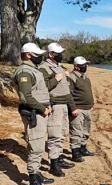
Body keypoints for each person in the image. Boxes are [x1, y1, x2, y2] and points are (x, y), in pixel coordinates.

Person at [13, 43, 54, 185]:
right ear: (28, 55)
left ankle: (37, 174)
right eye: (37, 54)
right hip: (34, 113)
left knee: (38, 144)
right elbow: (26, 97)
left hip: (39, 112)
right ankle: (33, 181)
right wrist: (43, 108)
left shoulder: (32, 69)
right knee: (36, 147)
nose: (40, 57)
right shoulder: (25, 71)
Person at [39, 42, 76, 177]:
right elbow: (43, 87)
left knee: (61, 133)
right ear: (50, 54)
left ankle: (59, 158)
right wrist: (56, 79)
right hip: (55, 105)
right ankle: (54, 165)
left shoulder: (57, 66)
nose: (61, 55)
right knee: (54, 135)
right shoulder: (44, 68)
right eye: (58, 53)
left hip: (63, 105)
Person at [68, 56, 95, 162]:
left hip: (87, 109)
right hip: (78, 109)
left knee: (86, 130)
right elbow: (69, 95)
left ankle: (83, 148)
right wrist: (73, 108)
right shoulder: (71, 77)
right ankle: (75, 152)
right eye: (83, 65)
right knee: (76, 131)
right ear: (76, 66)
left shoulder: (85, 77)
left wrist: (92, 103)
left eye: (86, 65)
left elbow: (88, 91)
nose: (85, 67)